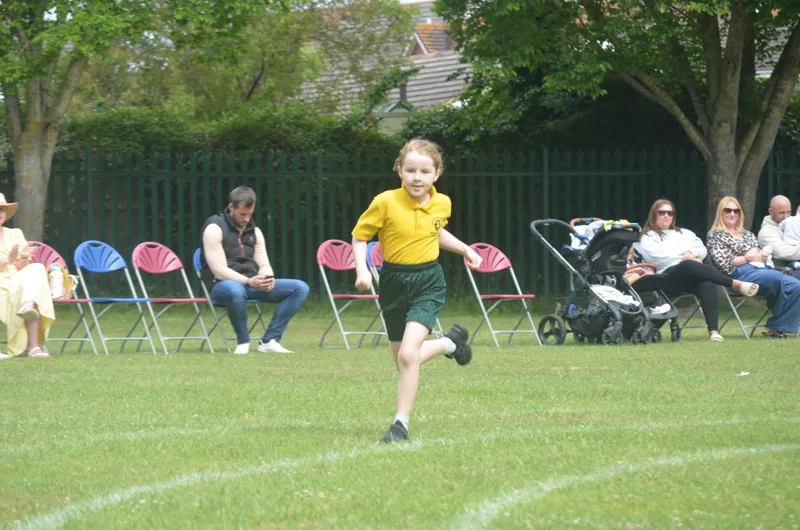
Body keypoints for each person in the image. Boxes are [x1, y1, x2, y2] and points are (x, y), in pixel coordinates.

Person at [351, 139, 482, 443]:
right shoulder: (385, 202)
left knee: (409, 356)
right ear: (399, 170)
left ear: (436, 174)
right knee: (402, 359)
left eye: (424, 171)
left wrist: (465, 250)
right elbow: (360, 238)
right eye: (410, 170)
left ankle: (400, 426)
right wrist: (361, 270)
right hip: (394, 283)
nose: (417, 177)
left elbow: (436, 231)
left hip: (428, 282)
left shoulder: (442, 203)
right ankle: (450, 344)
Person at [630, 199, 758, 342]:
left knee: (706, 282)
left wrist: (691, 254)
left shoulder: (685, 233)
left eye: (670, 213)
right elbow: (656, 258)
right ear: (654, 215)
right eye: (662, 212)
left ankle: (714, 332)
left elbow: (702, 249)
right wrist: (686, 258)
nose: (666, 216)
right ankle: (734, 283)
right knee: (688, 265)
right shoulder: (648, 236)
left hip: (689, 275)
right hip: (666, 277)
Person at [202, 186, 309, 354]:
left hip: (251, 283)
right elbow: (219, 270)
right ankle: (243, 342)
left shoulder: (255, 231)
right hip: (222, 286)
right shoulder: (214, 228)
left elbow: (263, 263)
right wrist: (248, 281)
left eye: (250, 214)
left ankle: (270, 340)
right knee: (235, 290)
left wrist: (267, 278)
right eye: (242, 214)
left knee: (299, 287)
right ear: (231, 207)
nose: (246, 219)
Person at [707, 196, 800, 338]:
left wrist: (758, 254)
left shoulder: (747, 234)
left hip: (761, 270)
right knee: (775, 277)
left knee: (796, 286)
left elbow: (760, 253)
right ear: (721, 213)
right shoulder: (715, 234)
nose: (732, 214)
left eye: (736, 211)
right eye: (728, 210)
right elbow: (723, 263)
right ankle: (777, 316)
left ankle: (776, 328)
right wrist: (747, 257)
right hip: (737, 276)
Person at [0, 193, 55, 359]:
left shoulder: (15, 233)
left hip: (16, 279)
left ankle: (33, 347)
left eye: (2, 210)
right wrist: (9, 260)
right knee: (31, 288)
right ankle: (27, 305)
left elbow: (22, 267)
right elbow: (8, 263)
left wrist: (23, 257)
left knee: (37, 268)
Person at [756, 194, 800, 272]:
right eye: (782, 213)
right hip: (784, 271)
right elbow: (782, 252)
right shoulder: (766, 232)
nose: (786, 216)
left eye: (788, 212)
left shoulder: (791, 223)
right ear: (771, 211)